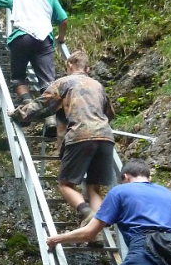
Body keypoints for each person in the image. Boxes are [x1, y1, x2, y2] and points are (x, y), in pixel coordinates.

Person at [10, 50, 115, 225]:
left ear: (69, 65)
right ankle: (96, 232)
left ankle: (86, 212)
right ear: (87, 69)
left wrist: (17, 113)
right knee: (94, 188)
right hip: (105, 137)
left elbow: (40, 105)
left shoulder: (64, 82)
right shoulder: (98, 85)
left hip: (80, 135)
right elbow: (109, 113)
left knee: (65, 185)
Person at [0, 0, 67, 104]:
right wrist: (61, 37)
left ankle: (28, 102)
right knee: (47, 81)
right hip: (44, 39)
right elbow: (63, 20)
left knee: (18, 77)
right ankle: (49, 117)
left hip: (22, 37)